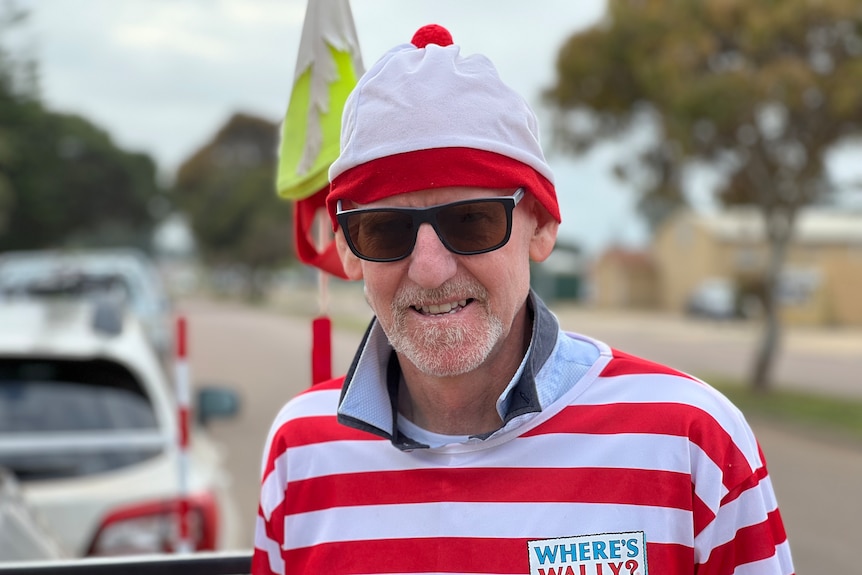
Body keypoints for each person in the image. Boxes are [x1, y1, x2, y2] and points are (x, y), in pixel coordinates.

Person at [252, 24, 795, 575]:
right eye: (385, 230)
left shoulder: (690, 441)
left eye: (471, 220)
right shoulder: (300, 451)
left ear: (541, 225)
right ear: (347, 249)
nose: (431, 269)